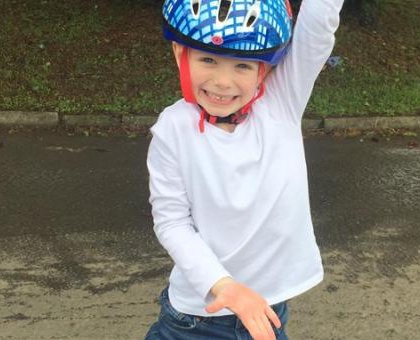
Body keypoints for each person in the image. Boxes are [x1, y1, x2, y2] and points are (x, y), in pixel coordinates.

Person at [144, 0, 343, 338]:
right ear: (181, 54)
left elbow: (318, 24)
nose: (223, 82)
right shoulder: (172, 128)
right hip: (194, 320)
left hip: (265, 312)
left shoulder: (281, 103)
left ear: (263, 71)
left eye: (242, 66)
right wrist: (223, 286)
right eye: (208, 59)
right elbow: (172, 222)